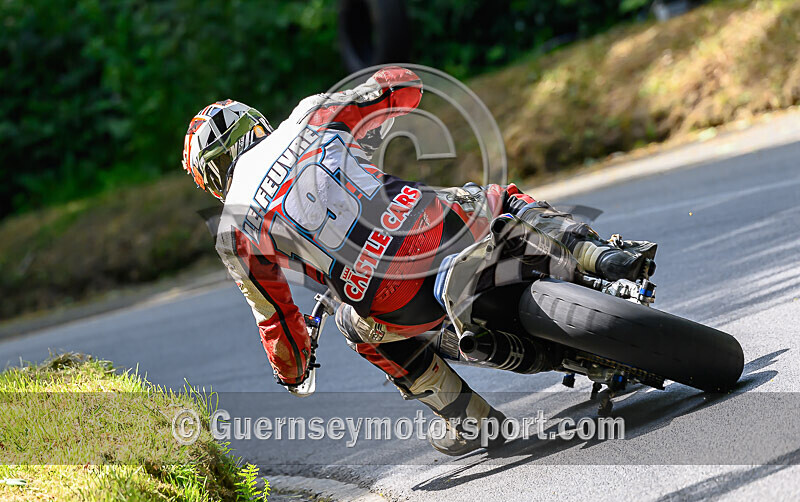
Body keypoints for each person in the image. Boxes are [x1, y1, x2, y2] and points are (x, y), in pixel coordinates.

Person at [181, 67, 656, 456]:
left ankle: (469, 420)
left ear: (211, 176)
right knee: (501, 199)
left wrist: (295, 372)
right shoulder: (310, 114)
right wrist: (375, 123)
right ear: (257, 123)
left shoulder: (233, 227)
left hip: (395, 301)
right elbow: (401, 83)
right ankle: (598, 254)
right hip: (439, 226)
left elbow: (278, 321)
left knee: (354, 328)